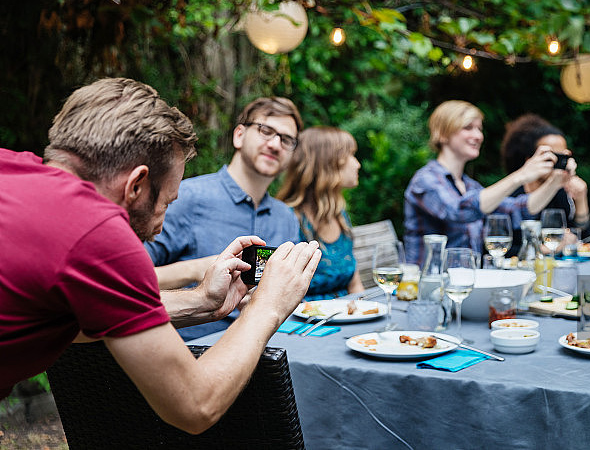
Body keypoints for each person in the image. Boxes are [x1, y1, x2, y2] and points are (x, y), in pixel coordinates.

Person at [0, 78, 321, 433]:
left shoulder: (11, 167)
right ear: (136, 185)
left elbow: (81, 320)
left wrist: (204, 302)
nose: (161, 222)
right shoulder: (99, 234)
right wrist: (268, 305)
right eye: (167, 202)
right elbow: (196, 406)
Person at [146, 96, 303, 340]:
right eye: (266, 130)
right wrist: (198, 270)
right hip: (190, 353)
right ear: (239, 135)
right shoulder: (188, 197)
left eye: (286, 139)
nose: (275, 144)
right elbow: (128, 280)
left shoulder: (286, 218)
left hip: (269, 349)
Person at [403, 100, 565, 266]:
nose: (478, 136)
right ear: (442, 134)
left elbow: (518, 209)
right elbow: (459, 211)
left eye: (479, 129)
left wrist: (556, 180)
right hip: (431, 285)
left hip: (467, 282)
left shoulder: (469, 186)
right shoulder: (425, 180)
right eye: (468, 128)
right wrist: (522, 175)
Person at [276, 126, 365, 299]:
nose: (357, 164)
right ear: (329, 163)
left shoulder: (340, 216)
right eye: (350, 155)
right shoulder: (288, 219)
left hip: (347, 319)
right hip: (305, 323)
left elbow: (355, 283)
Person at [500, 113, 590, 256]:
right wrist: (545, 250)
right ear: (531, 159)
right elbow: (501, 246)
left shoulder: (560, 193)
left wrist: (581, 199)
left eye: (564, 157)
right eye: (551, 157)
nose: (559, 164)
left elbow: (584, 239)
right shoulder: (512, 192)